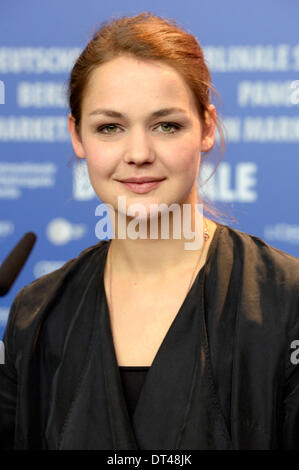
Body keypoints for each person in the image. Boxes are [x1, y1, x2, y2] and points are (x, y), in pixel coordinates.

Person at [1, 12, 299, 450]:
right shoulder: (38, 312)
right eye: (110, 127)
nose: (138, 153)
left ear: (208, 127)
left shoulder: (286, 298)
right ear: (77, 136)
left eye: (166, 125)